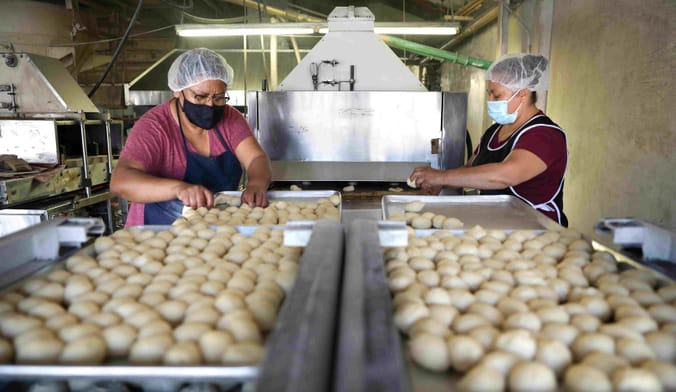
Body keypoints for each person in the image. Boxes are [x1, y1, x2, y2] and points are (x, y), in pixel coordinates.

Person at [111, 48, 271, 226]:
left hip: (214, 227)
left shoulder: (230, 117)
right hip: (159, 229)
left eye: (218, 98)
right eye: (200, 97)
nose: (210, 105)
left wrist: (256, 183)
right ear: (178, 90)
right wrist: (179, 188)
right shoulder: (154, 127)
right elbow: (121, 181)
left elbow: (255, 158)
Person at [409, 53, 568, 226]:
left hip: (536, 229)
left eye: (497, 95)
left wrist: (442, 177)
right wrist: (441, 184)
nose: (490, 101)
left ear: (523, 94)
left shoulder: (544, 135)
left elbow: (505, 175)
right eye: (489, 94)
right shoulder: (494, 131)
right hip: (499, 225)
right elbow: (471, 168)